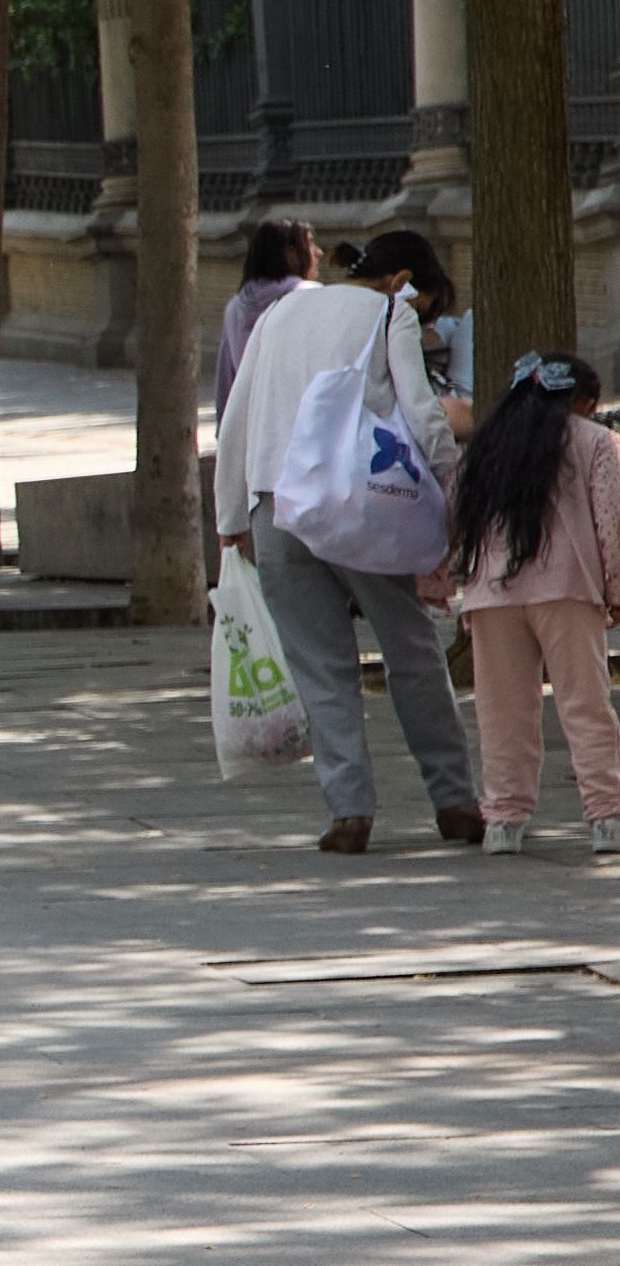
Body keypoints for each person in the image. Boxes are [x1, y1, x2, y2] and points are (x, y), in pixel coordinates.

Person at [215, 228, 480, 855]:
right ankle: (455, 800)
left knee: (320, 665)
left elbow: (237, 417)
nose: (426, 316)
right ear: (402, 280)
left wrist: (233, 517)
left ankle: (349, 812)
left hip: (275, 505)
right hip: (360, 510)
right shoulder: (390, 313)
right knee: (412, 651)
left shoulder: (280, 312)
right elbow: (421, 411)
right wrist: (450, 488)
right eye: (427, 302)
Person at [444, 354, 620, 854]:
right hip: (567, 586)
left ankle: (503, 820)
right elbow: (612, 524)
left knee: (502, 712)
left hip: (492, 593)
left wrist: (437, 577)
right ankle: (606, 814)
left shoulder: (486, 448)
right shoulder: (596, 443)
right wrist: (616, 590)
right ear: (582, 402)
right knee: (586, 705)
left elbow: (454, 517)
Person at [214, 216, 317, 420]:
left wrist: (225, 432)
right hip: (297, 422)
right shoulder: (308, 296)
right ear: (290, 254)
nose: (318, 252)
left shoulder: (236, 306)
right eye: (310, 243)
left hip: (253, 423)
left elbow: (226, 377)